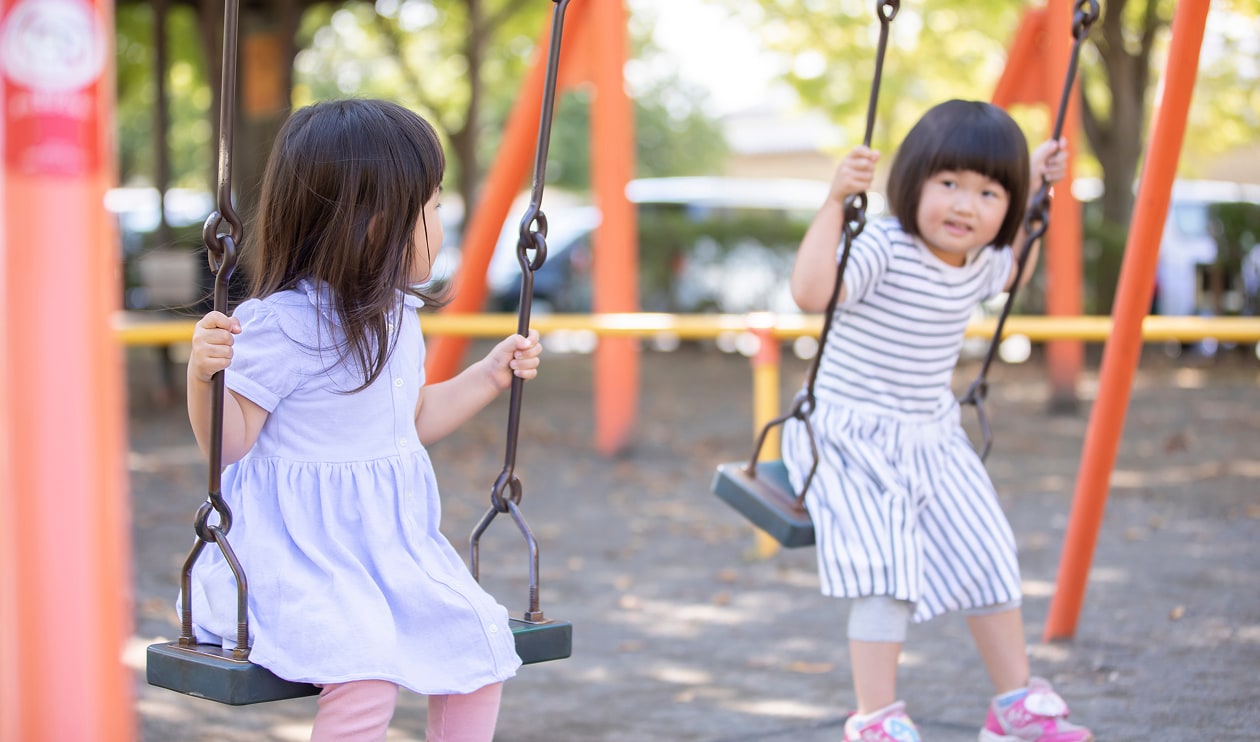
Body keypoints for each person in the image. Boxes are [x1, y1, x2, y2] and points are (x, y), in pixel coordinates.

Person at [184, 99, 542, 742]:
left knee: (476, 640)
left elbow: (411, 421)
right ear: (372, 227)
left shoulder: (396, 317)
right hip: (297, 556)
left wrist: (488, 376)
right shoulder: (284, 325)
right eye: (431, 208)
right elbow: (229, 444)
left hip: (387, 550)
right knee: (366, 669)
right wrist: (204, 377)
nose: (440, 222)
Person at [783, 99, 1089, 742]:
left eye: (987, 192)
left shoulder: (978, 260)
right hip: (847, 437)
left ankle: (1012, 708)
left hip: (932, 434)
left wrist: (1035, 185)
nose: (965, 205)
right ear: (913, 180)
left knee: (989, 553)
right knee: (888, 573)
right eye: (948, 183)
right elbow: (813, 293)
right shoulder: (884, 248)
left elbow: (1014, 269)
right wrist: (836, 201)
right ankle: (875, 719)